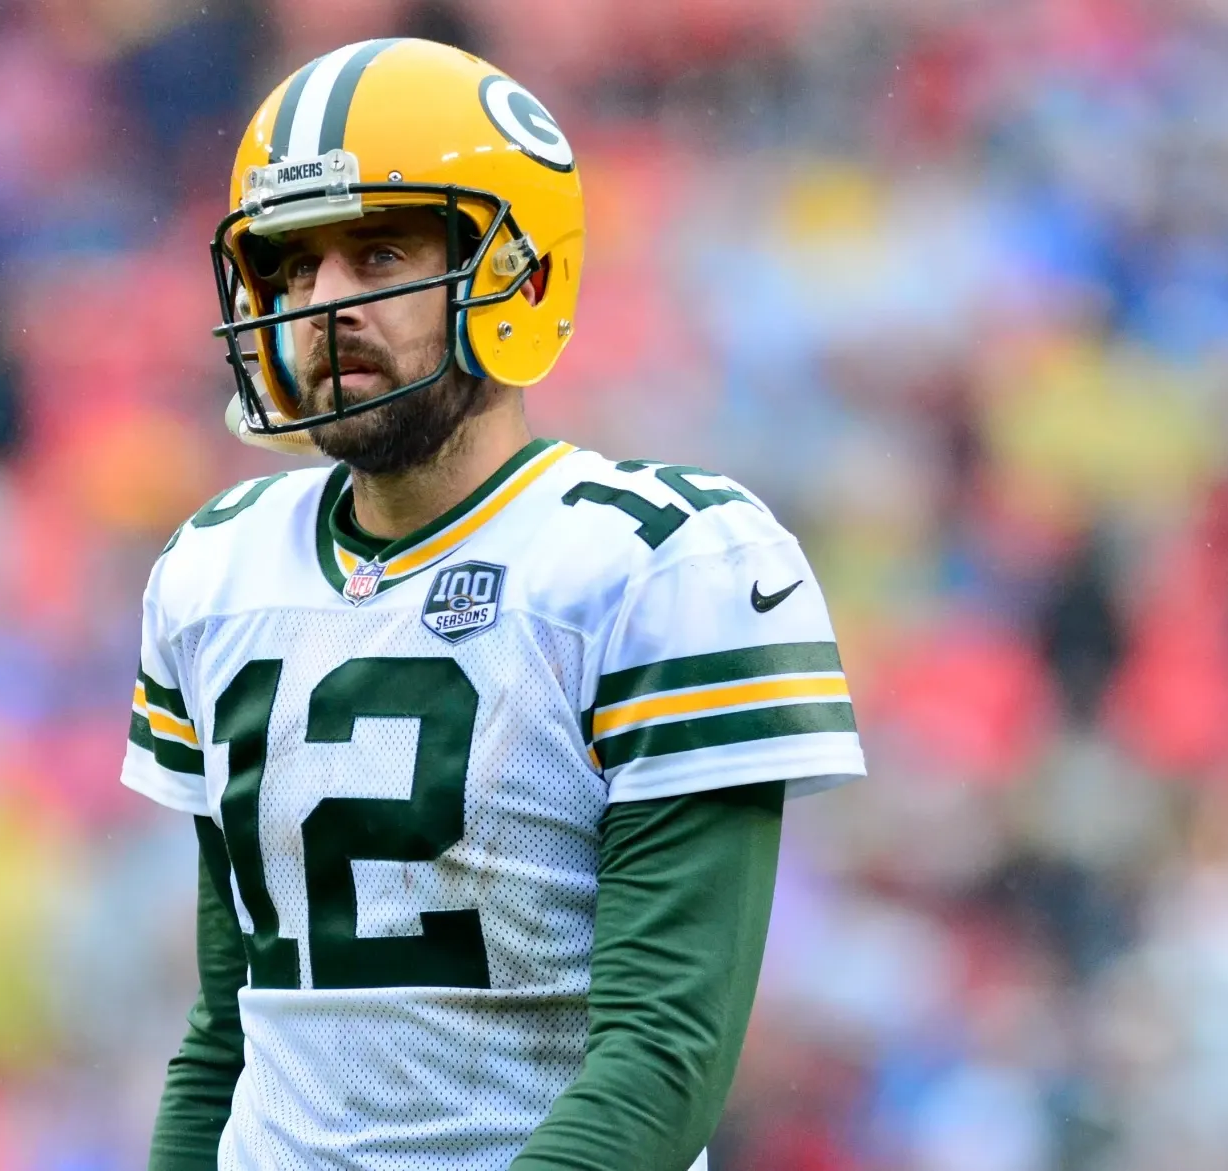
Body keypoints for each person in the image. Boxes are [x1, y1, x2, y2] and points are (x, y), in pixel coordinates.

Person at [122, 38, 866, 1171]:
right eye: (292, 264)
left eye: (376, 253)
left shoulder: (655, 565)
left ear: (514, 271)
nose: (322, 304)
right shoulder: (214, 575)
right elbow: (229, 1033)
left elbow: (662, 1053)